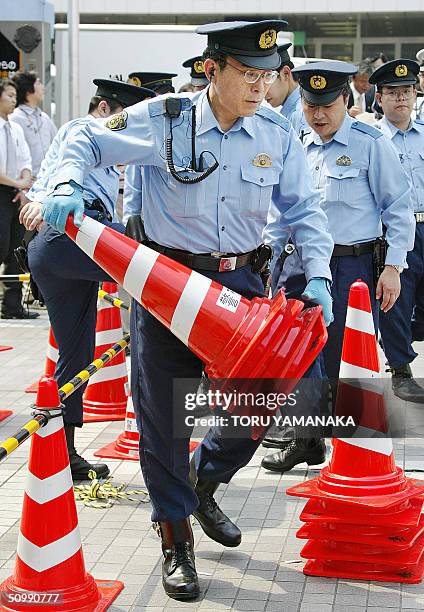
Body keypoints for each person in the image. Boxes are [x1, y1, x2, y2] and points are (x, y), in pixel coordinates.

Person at [32, 20, 335, 600]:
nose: (258, 88)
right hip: (168, 284)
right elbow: (85, 138)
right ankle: (176, 540)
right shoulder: (163, 118)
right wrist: (68, 179)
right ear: (212, 69)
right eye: (246, 74)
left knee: (263, 403)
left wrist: (318, 274)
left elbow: (304, 210)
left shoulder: (276, 132)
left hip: (241, 283)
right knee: (164, 421)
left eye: (267, 76)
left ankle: (205, 479)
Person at [262, 61, 415, 471]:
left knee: (342, 360)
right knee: (299, 356)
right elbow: (282, 212)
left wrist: (394, 267)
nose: (319, 115)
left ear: (345, 101)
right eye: (312, 106)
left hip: (352, 268)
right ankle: (308, 440)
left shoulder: (369, 142)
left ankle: (352, 451)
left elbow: (398, 209)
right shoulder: (296, 142)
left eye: (327, 105)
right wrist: (268, 262)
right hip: (301, 264)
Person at [19, 79, 154, 480]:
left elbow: (45, 181)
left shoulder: (102, 146)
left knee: (74, 354)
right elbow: (61, 175)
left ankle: (63, 452)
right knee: (156, 266)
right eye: (125, 121)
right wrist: (45, 200)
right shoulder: (82, 130)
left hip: (54, 247)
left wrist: (41, 200)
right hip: (74, 235)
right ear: (104, 110)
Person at [368, 59, 424, 403]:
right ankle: (400, 370)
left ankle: (399, 344)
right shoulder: (373, 139)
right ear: (379, 97)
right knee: (396, 303)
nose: (401, 99)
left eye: (406, 91)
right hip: (392, 233)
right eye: (393, 93)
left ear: (416, 94)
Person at [0, 78, 38, 320]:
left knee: (15, 248)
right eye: (9, 95)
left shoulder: (14, 127)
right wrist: (18, 183)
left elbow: (25, 159)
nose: (14, 100)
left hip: (15, 193)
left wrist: (23, 183)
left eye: (15, 96)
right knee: (0, 245)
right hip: (3, 189)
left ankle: (12, 305)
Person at [11, 71, 57, 177]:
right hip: (26, 184)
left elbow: (58, 143)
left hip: (48, 180)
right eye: (38, 83)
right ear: (28, 90)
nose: (43, 87)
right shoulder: (15, 118)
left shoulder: (44, 118)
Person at [265, 42, 308, 135]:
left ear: (285, 73)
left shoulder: (300, 114)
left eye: (267, 79)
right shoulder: (294, 109)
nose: (262, 90)